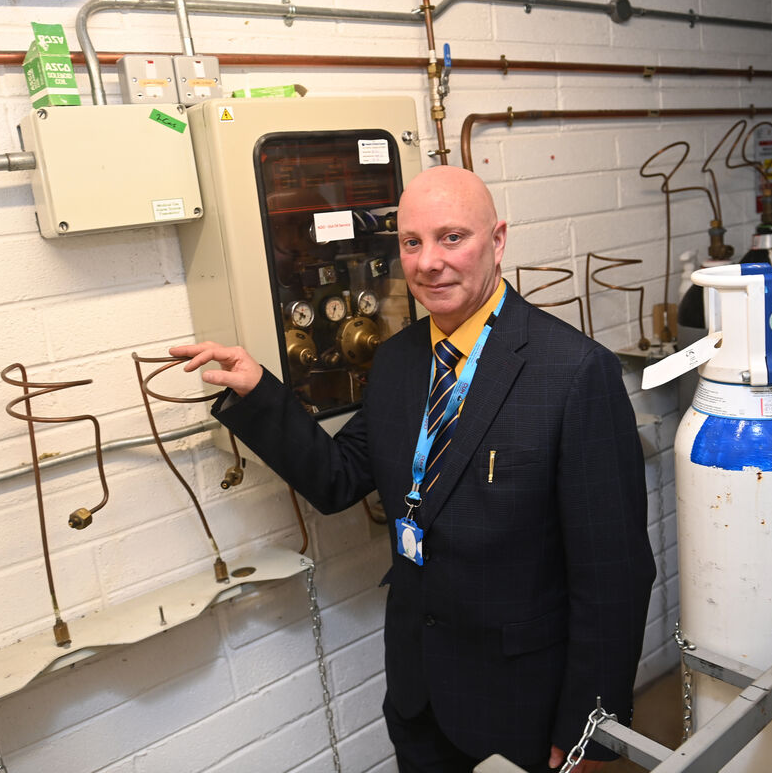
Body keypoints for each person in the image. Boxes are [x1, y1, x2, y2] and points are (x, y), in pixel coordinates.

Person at [172, 165, 655, 773]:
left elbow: (614, 576)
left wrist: (592, 728)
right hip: (419, 690)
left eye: (453, 238)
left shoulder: (573, 372)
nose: (429, 262)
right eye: (412, 242)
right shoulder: (400, 360)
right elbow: (338, 477)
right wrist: (258, 393)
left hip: (522, 704)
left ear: (498, 240)